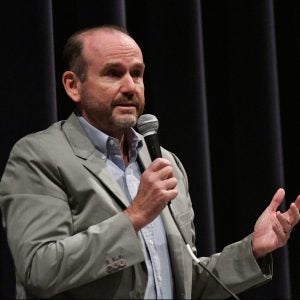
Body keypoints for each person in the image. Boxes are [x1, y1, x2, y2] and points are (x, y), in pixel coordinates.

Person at [0, 24, 300, 300]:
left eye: (137, 73)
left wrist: (253, 249)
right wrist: (135, 216)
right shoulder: (39, 156)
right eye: (113, 73)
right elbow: (39, 270)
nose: (131, 87)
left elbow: (186, 281)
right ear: (72, 85)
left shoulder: (165, 162)